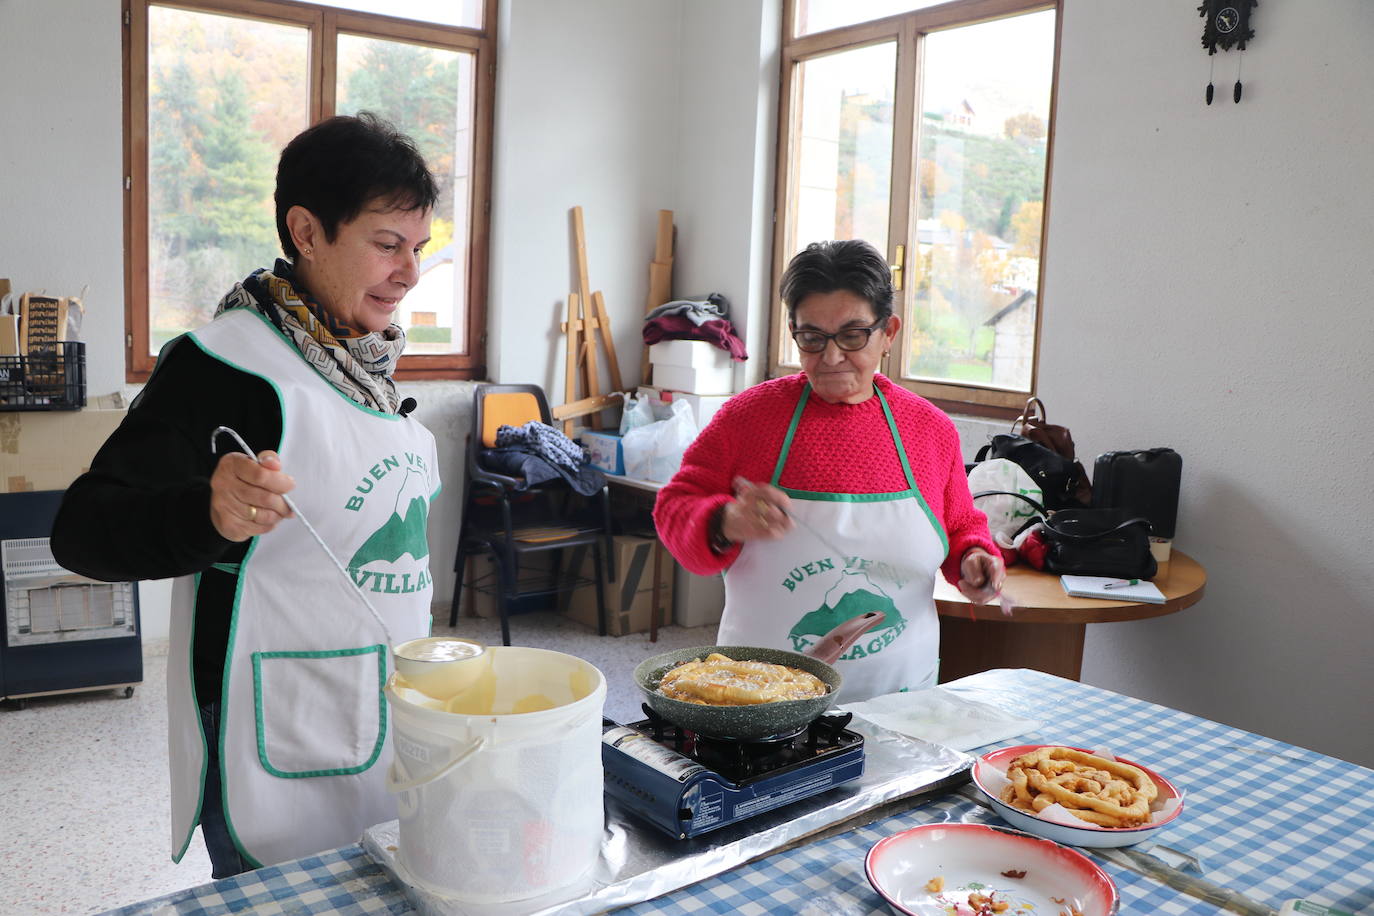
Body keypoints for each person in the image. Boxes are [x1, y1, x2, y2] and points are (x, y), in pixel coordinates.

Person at [51, 113, 440, 877]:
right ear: (306, 230)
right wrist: (207, 514)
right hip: (274, 729)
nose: (410, 273)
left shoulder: (358, 362)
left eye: (419, 248)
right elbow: (82, 529)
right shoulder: (224, 365)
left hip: (385, 714)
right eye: (387, 244)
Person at [653, 239, 1004, 702]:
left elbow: (960, 526)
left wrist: (974, 559)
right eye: (812, 338)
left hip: (902, 694)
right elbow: (673, 509)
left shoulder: (929, 430)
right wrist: (722, 520)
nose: (832, 357)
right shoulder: (748, 419)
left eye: (853, 335)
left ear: (889, 332)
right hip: (758, 698)